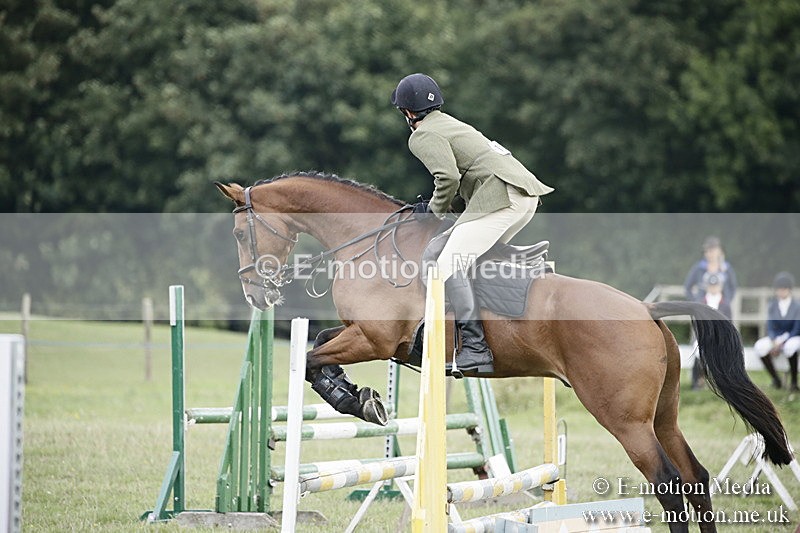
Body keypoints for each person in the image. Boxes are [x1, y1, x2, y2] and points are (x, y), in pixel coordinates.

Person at [391, 73, 554, 375]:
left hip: (501, 197)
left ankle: (476, 348)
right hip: (522, 195)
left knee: (447, 264)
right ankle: (516, 264)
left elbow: (448, 177)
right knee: (444, 251)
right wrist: (441, 206)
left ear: (407, 112)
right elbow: (465, 175)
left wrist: (434, 212)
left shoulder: (422, 134)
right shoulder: (450, 122)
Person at [753, 272, 800, 391]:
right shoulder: (772, 305)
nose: (781, 292)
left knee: (790, 347)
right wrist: (774, 340)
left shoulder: (797, 306)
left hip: (793, 336)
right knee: (759, 346)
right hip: (777, 337)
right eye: (779, 289)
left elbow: (797, 327)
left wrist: (782, 343)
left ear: (789, 289)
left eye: (784, 289)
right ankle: (776, 379)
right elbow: (770, 325)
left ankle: (794, 381)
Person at [690, 274, 732, 390]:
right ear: (707, 287)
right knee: (698, 350)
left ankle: (722, 382)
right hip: (703, 336)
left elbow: (728, 324)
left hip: (719, 337)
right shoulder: (701, 303)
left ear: (720, 286)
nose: (713, 288)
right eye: (711, 286)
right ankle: (697, 381)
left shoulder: (725, 304)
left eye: (716, 285)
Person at [683, 236, 738, 305]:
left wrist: (727, 301)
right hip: (703, 308)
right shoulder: (699, 268)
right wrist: (696, 302)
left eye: (712, 251)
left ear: (719, 251)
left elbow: (733, 287)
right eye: (707, 251)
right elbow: (687, 287)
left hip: (722, 309)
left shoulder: (726, 268)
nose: (709, 254)